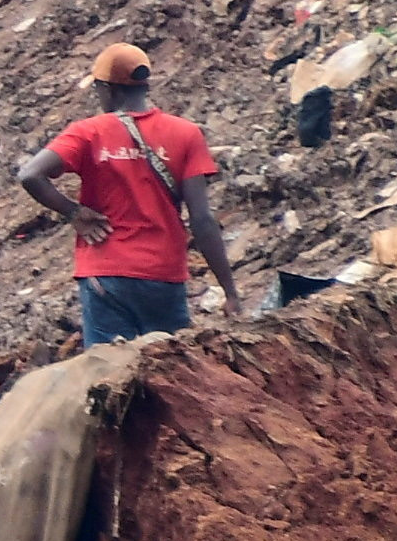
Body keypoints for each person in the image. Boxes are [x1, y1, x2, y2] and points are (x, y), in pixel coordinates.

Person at [18, 42, 243, 346]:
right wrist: (229, 291)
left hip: (106, 275)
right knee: (172, 372)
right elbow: (202, 220)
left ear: (106, 89)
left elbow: (31, 175)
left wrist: (73, 212)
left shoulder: (88, 132)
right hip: (163, 278)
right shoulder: (185, 134)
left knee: (106, 376)